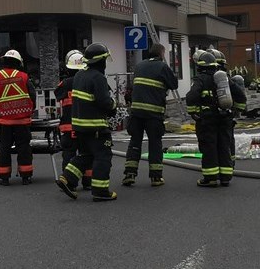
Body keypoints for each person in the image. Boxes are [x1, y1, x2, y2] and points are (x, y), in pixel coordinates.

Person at [56, 42, 117, 202]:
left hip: (79, 127)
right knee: (103, 156)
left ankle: (67, 179)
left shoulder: (80, 76)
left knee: (86, 155)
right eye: (104, 59)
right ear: (100, 61)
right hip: (95, 127)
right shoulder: (98, 78)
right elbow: (104, 102)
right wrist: (114, 106)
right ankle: (100, 191)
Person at [122, 42, 179, 187]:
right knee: (155, 143)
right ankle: (156, 177)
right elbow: (174, 84)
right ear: (161, 54)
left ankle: (129, 174)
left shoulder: (140, 66)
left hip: (136, 112)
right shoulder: (162, 66)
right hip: (153, 113)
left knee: (135, 142)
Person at [0, 49, 36, 186]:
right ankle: (26, 177)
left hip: (3, 121)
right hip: (22, 121)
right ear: (18, 62)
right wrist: (30, 110)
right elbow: (32, 96)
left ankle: (4, 177)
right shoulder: (24, 77)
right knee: (24, 148)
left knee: (4, 148)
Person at [185, 50, 233, 187]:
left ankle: (211, 178)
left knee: (209, 146)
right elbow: (240, 95)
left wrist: (193, 112)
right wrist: (235, 112)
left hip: (207, 119)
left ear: (200, 67)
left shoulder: (200, 79)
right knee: (224, 146)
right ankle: (225, 178)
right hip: (225, 118)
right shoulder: (224, 78)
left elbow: (191, 96)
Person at [55, 50, 92, 190]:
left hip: (68, 126)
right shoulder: (90, 80)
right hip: (85, 125)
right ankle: (88, 182)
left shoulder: (64, 84)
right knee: (87, 153)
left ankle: (69, 182)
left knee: (69, 155)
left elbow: (57, 93)